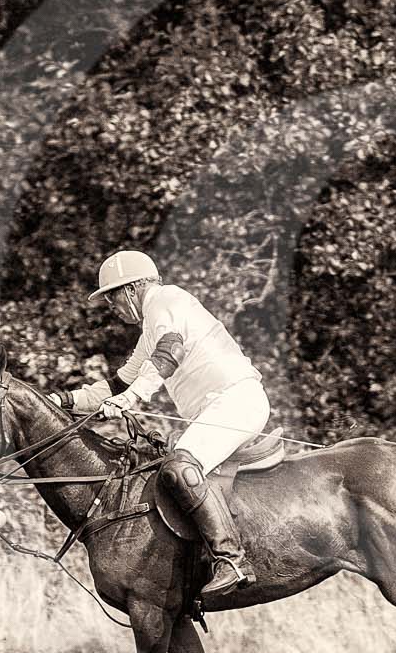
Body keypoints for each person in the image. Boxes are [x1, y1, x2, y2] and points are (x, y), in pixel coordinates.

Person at [65, 250, 268, 596]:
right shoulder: (150, 330)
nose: (111, 306)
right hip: (219, 409)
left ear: (132, 289)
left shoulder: (165, 300)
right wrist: (62, 401)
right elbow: (117, 384)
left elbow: (169, 353)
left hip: (236, 401)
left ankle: (230, 559)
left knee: (179, 466)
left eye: (112, 296)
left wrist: (129, 401)